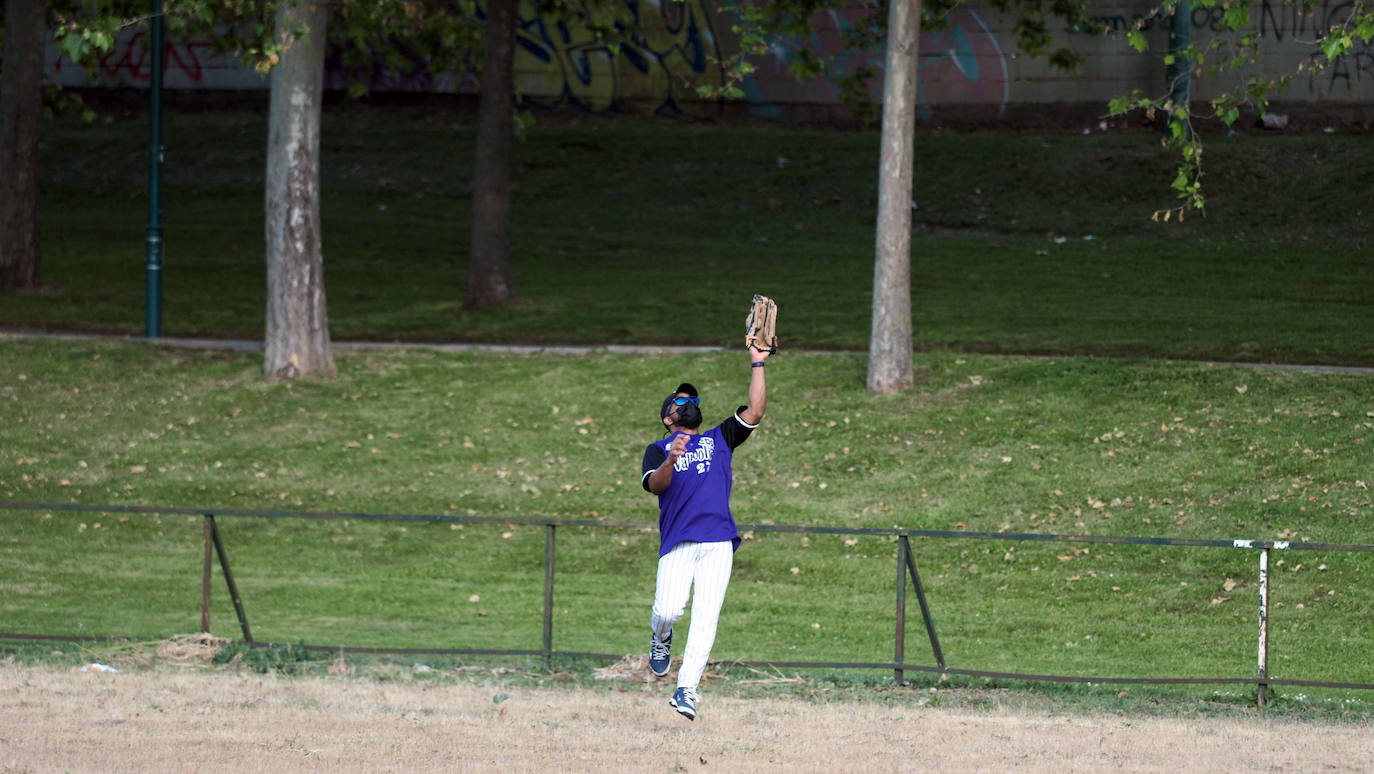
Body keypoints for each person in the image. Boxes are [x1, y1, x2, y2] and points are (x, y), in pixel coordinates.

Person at [639, 345, 771, 721]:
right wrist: (671, 459)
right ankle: (661, 636)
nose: (688, 402)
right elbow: (655, 487)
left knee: (706, 616)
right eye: (680, 401)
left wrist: (758, 360)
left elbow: (756, 410)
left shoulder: (719, 438)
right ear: (668, 418)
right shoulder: (657, 448)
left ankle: (687, 689)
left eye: (692, 398)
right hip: (678, 542)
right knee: (667, 609)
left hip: (717, 542)